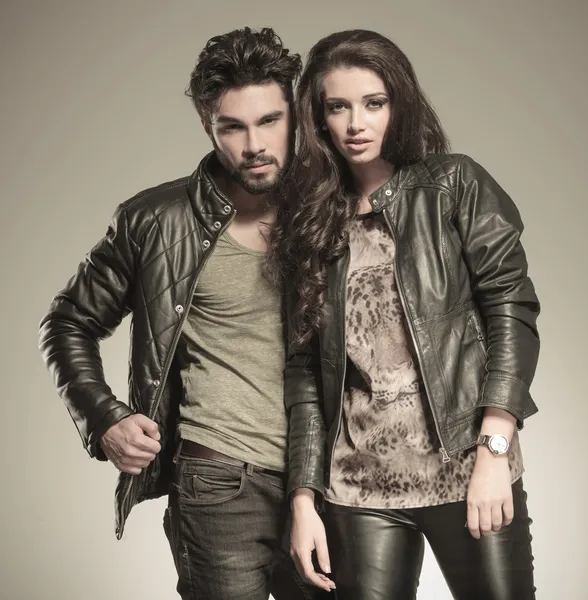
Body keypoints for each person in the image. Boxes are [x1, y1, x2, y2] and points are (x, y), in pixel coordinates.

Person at [38, 26, 326, 600]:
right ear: (206, 126)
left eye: (270, 121)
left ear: (295, 115)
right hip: (217, 480)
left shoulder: (330, 209)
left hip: (327, 479)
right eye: (232, 126)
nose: (254, 145)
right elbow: (70, 320)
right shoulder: (155, 220)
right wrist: (105, 417)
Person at [272, 29, 541, 599]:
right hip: (359, 488)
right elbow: (304, 373)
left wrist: (494, 450)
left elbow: (510, 308)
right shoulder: (311, 222)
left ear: (399, 103)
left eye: (374, 103)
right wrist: (302, 497)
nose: (355, 124)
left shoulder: (453, 186)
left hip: (467, 470)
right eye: (337, 107)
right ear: (318, 119)